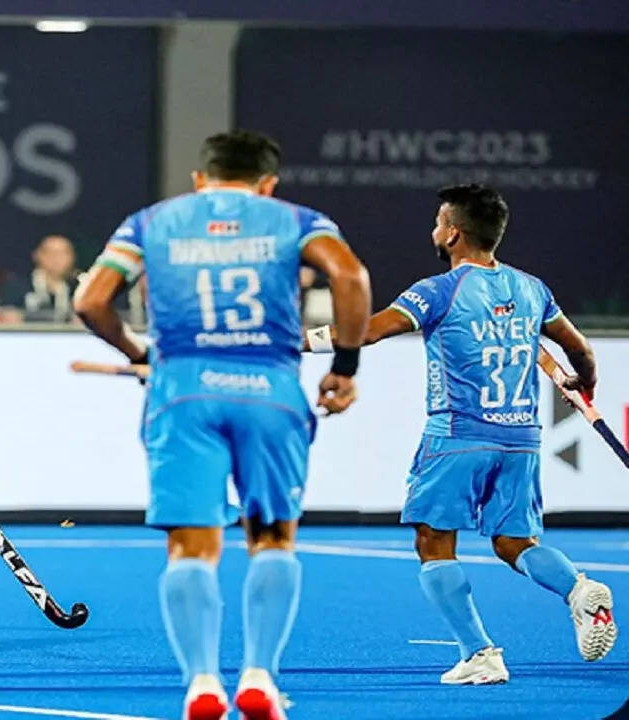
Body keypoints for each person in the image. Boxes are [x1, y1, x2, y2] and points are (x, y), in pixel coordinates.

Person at [74, 130, 371, 720]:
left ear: (199, 179)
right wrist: (344, 367)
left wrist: (139, 351)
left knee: (191, 546)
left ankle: (202, 684)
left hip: (183, 392)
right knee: (273, 537)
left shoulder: (150, 222)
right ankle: (259, 676)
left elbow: (90, 300)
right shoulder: (298, 220)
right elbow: (351, 279)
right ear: (268, 183)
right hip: (270, 393)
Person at [305, 184, 617, 684]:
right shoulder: (532, 289)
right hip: (521, 440)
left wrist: (299, 342)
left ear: (453, 233)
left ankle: (480, 654)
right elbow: (580, 350)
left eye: (438, 222)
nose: (434, 229)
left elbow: (367, 330)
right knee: (514, 542)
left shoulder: (437, 290)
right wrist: (585, 382)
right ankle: (577, 589)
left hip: (457, 436)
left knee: (433, 542)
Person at [2, 234, 80, 323]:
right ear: (37, 255)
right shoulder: (17, 286)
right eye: (51, 252)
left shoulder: (79, 289)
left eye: (63, 253)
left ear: (72, 257)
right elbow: (7, 315)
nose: (57, 258)